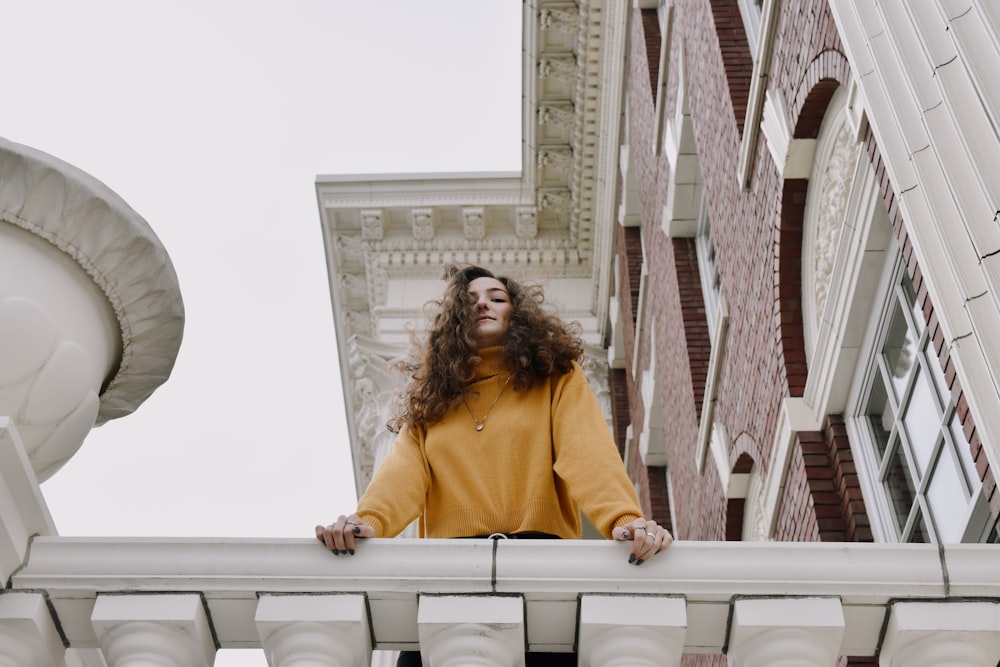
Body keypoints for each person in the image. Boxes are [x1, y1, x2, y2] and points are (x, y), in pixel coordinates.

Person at [316, 265, 672, 665]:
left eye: (497, 298)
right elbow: (403, 475)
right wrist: (369, 520)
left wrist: (623, 519)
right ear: (455, 320)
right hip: (448, 572)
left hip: (540, 565)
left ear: (516, 314)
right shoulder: (431, 403)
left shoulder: (556, 378)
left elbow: (586, 453)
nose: (483, 303)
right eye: (470, 301)